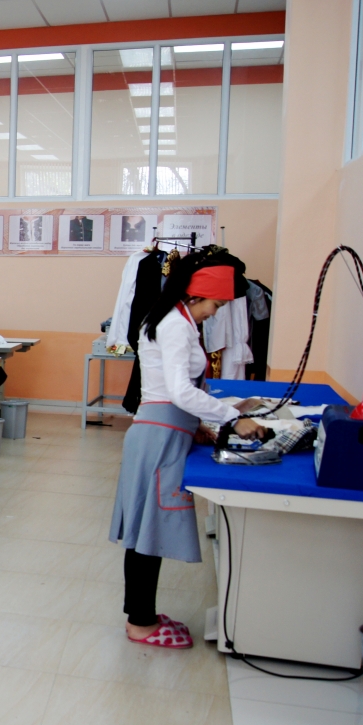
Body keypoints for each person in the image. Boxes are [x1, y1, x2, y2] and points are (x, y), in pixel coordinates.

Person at [110, 263, 265, 648]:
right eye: (215, 304)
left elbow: (168, 387)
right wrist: (233, 419)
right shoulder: (175, 325)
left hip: (165, 430)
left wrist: (196, 423)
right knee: (147, 533)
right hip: (158, 438)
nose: (215, 312)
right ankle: (140, 623)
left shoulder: (176, 321)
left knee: (149, 530)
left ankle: (142, 614)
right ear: (194, 295)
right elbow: (179, 391)